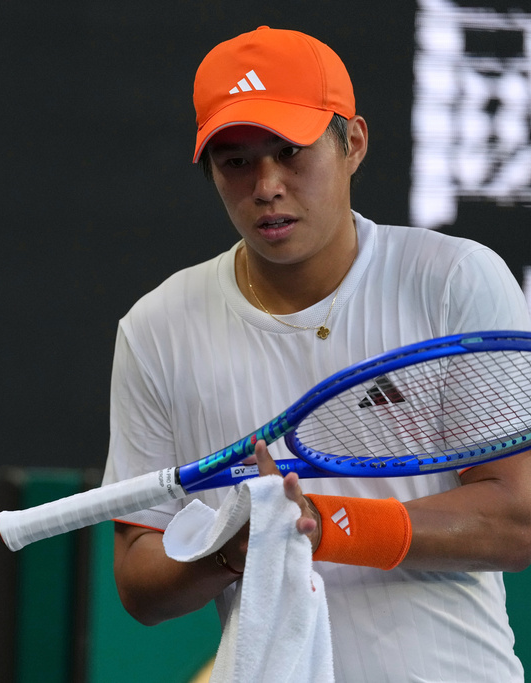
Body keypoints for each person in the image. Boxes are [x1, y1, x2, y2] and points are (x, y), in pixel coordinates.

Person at [102, 25, 531, 682]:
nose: (266, 185)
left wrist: (326, 524)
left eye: (291, 151)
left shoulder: (456, 282)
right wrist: (235, 548)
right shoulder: (155, 329)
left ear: (352, 142)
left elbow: (517, 519)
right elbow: (138, 579)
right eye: (236, 160)